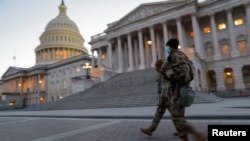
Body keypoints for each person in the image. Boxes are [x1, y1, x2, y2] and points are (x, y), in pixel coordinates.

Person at [140, 38, 205, 141]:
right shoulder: (179, 56)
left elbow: (182, 72)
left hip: (176, 91)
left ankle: (196, 133)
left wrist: (166, 72)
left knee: (177, 117)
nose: (166, 49)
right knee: (175, 116)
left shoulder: (176, 56)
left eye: (167, 48)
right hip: (176, 90)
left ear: (170, 47)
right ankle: (185, 136)